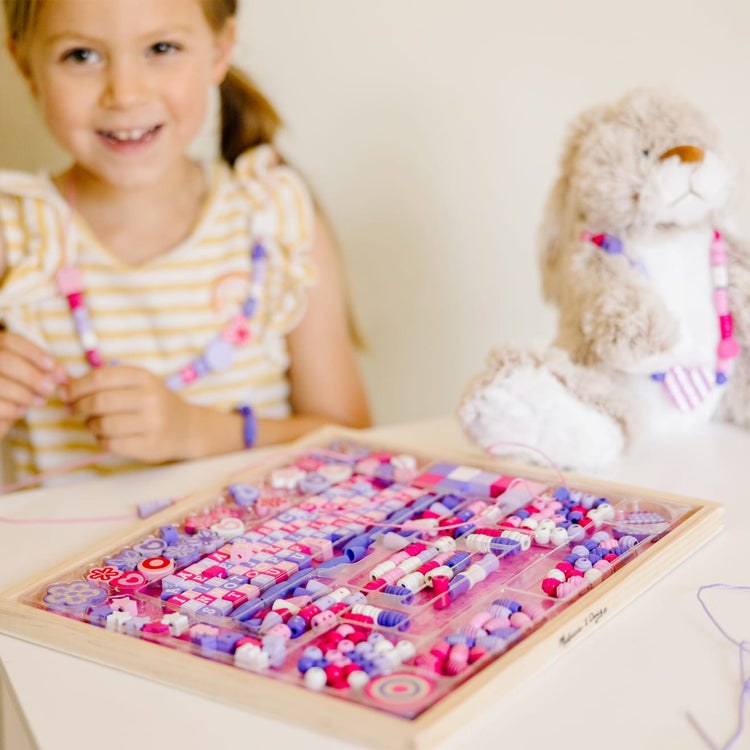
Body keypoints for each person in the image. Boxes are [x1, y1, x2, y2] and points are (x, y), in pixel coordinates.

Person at [0, 0, 370, 482]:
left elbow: (355, 442)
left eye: (161, 47)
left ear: (219, 51)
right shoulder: (14, 235)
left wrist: (196, 431)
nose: (125, 94)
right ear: (26, 65)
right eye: (82, 56)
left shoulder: (276, 220)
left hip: (257, 554)